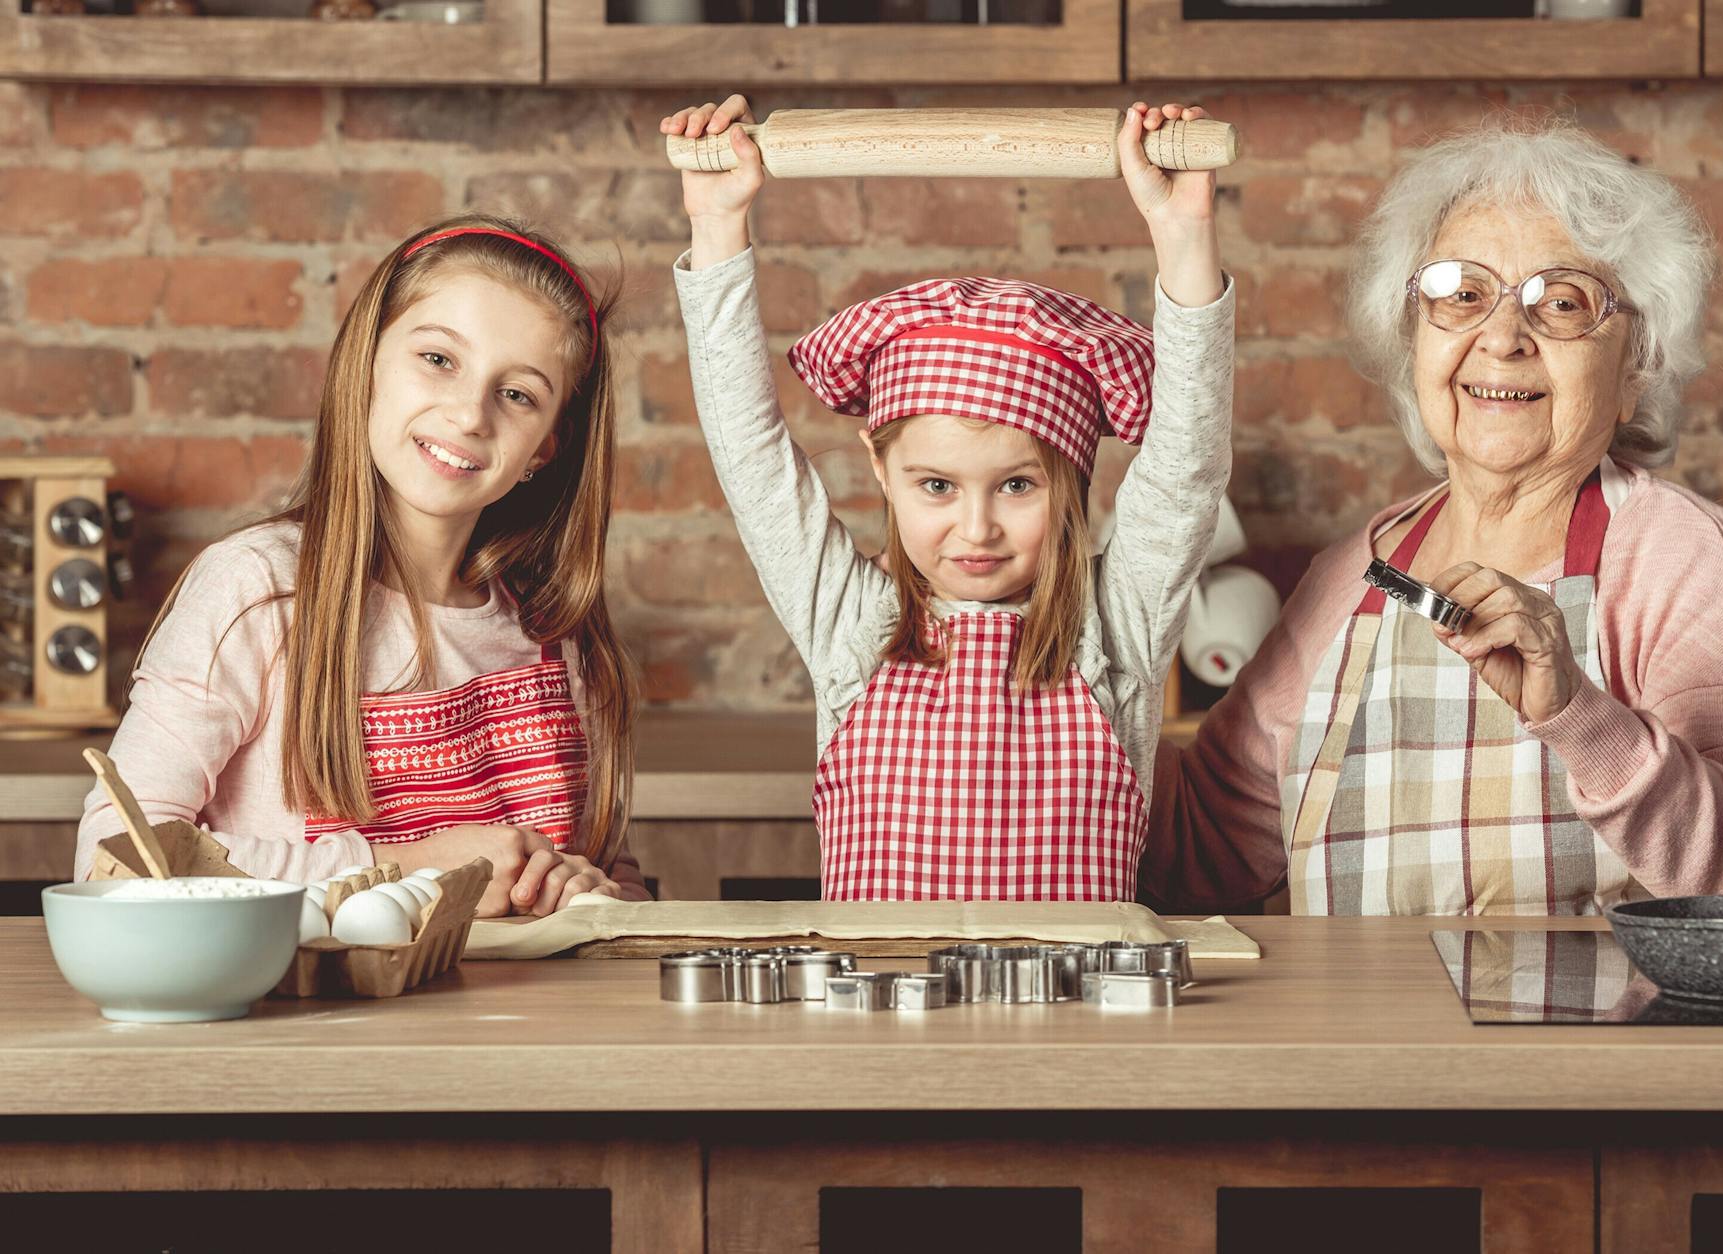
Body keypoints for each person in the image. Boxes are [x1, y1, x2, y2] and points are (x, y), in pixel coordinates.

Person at [1145, 120, 1723, 915]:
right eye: (1461, 295)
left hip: (1593, 1039)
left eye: (1562, 303)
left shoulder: (1679, 555)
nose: (1501, 338)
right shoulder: (1353, 577)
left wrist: (1578, 715)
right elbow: (1200, 856)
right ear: (1414, 343)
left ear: (1637, 367)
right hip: (1361, 1041)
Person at [664, 95, 1234, 901]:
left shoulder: (1116, 628)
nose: (977, 527)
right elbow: (750, 454)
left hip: (1080, 1029)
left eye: (1017, 485)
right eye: (936, 485)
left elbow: (1186, 466)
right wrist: (718, 229)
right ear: (880, 467)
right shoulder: (850, 623)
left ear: (1071, 482)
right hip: (879, 1025)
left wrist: (1183, 233)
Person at [76, 215, 646, 917]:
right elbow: (115, 860)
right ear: (366, 361)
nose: (470, 414)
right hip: (317, 1027)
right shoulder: (255, 590)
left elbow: (618, 880)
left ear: (545, 449)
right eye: (438, 359)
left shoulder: (558, 632)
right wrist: (405, 868)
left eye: (518, 394)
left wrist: (597, 895)